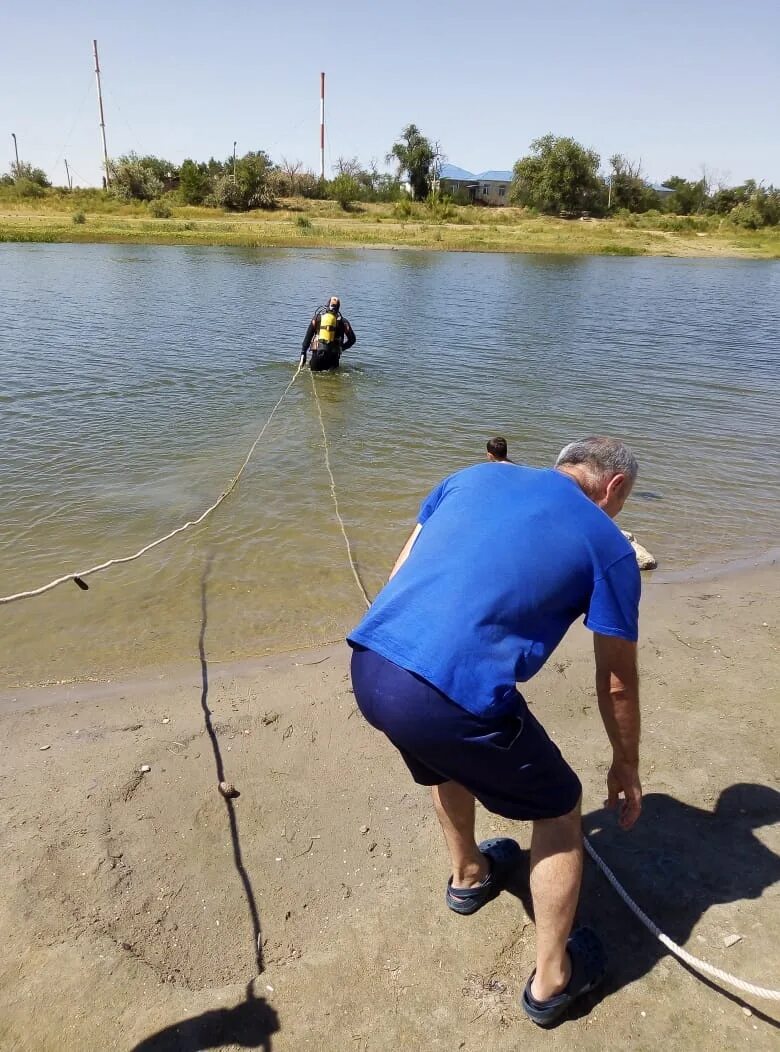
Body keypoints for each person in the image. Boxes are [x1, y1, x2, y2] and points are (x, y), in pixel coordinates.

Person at [347, 436, 642, 1027]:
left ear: (563, 463)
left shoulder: (472, 478)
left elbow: (402, 572)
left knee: (445, 758)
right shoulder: (608, 545)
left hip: (372, 664)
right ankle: (553, 980)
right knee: (560, 807)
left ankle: (470, 875)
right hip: (443, 697)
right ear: (612, 488)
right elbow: (615, 679)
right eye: (622, 501)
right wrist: (625, 764)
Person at [300, 295, 357, 371]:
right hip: (333, 358)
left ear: (327, 306)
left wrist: (303, 353)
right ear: (338, 308)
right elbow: (352, 340)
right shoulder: (344, 322)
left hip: (317, 356)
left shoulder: (317, 318)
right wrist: (341, 348)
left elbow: (307, 338)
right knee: (332, 377)